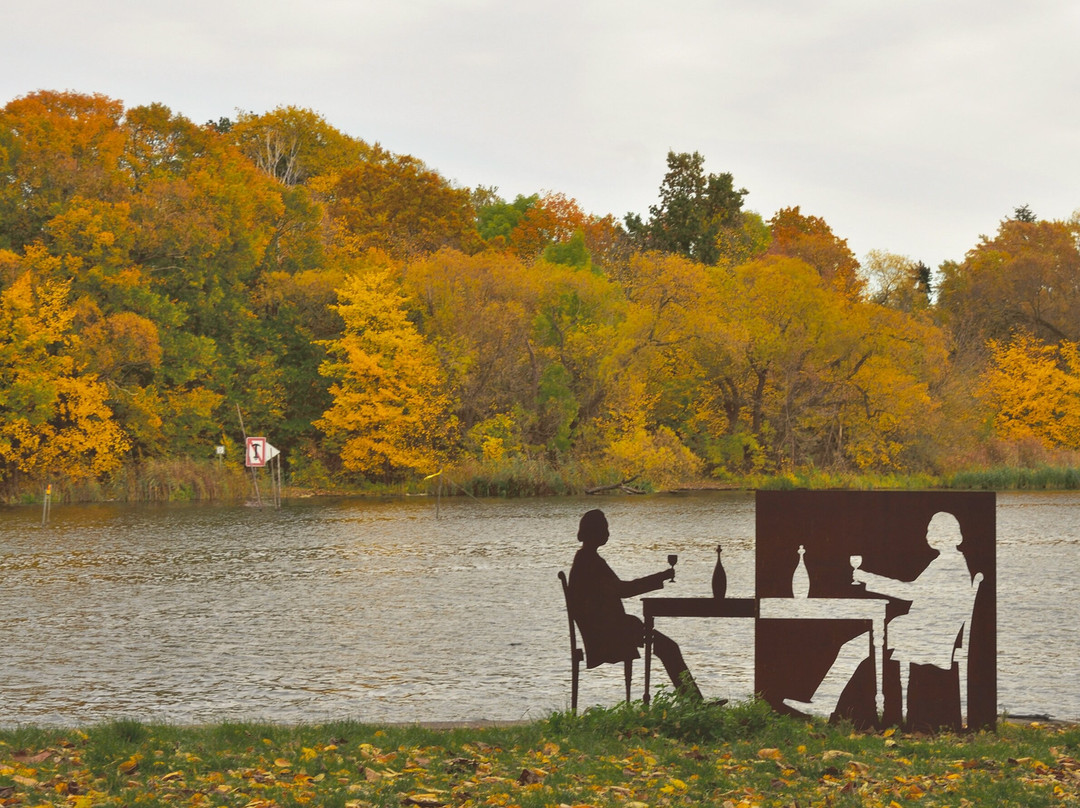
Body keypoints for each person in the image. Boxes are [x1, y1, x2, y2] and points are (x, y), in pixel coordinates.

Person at [783, 511, 976, 720]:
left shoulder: (947, 564)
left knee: (853, 648)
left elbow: (910, 592)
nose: (929, 534)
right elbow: (917, 591)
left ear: (945, 534)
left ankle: (824, 704)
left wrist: (868, 579)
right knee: (855, 647)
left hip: (928, 635)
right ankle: (824, 703)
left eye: (933, 530)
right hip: (923, 630)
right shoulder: (951, 560)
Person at [568, 508, 703, 700]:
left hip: (610, 629)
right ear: (595, 531)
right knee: (669, 648)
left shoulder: (585, 559)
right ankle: (694, 702)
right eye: (605, 529)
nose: (608, 533)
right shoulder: (590, 562)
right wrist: (661, 577)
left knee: (667, 647)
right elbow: (623, 590)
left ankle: (693, 700)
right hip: (609, 634)